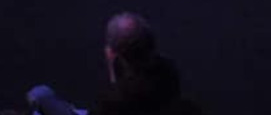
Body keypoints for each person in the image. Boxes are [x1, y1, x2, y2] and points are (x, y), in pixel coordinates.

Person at [26, 11, 203, 115]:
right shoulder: (168, 70)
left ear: (115, 53)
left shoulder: (114, 100)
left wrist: (112, 68)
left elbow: (119, 102)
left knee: (39, 94)